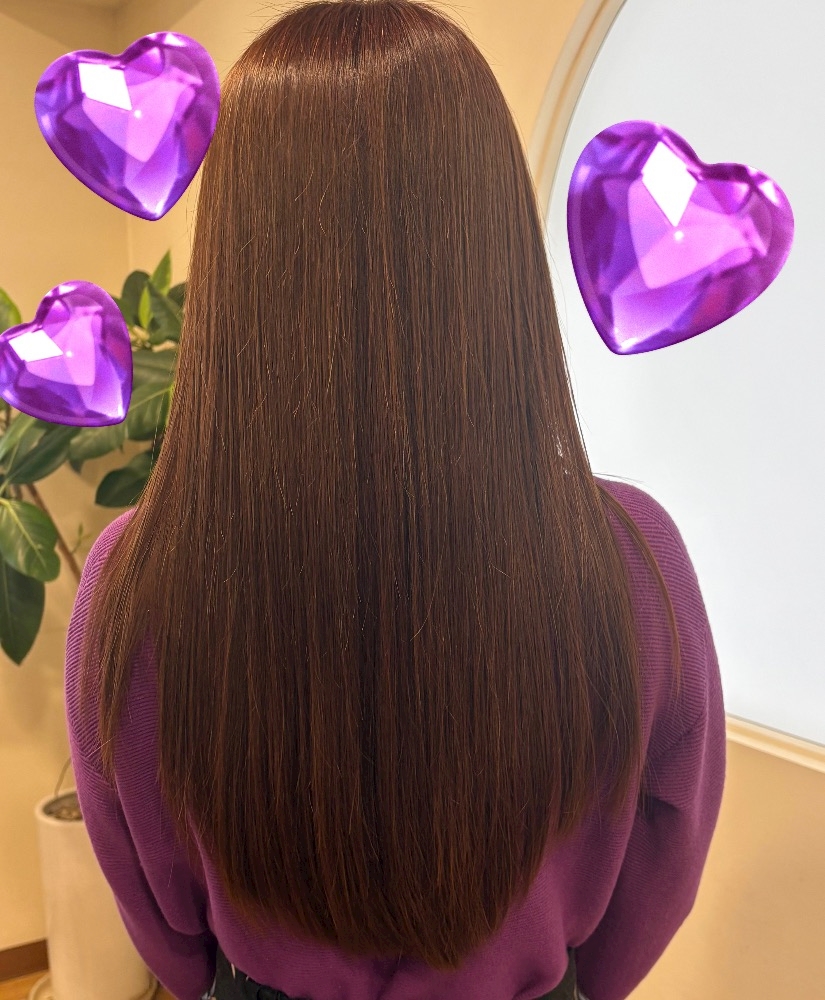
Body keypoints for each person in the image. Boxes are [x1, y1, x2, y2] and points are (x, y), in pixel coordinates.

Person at [64, 2, 727, 998]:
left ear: (235, 252)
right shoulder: (635, 558)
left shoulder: (132, 581)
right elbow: (662, 866)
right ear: (493, 241)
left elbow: (153, 900)